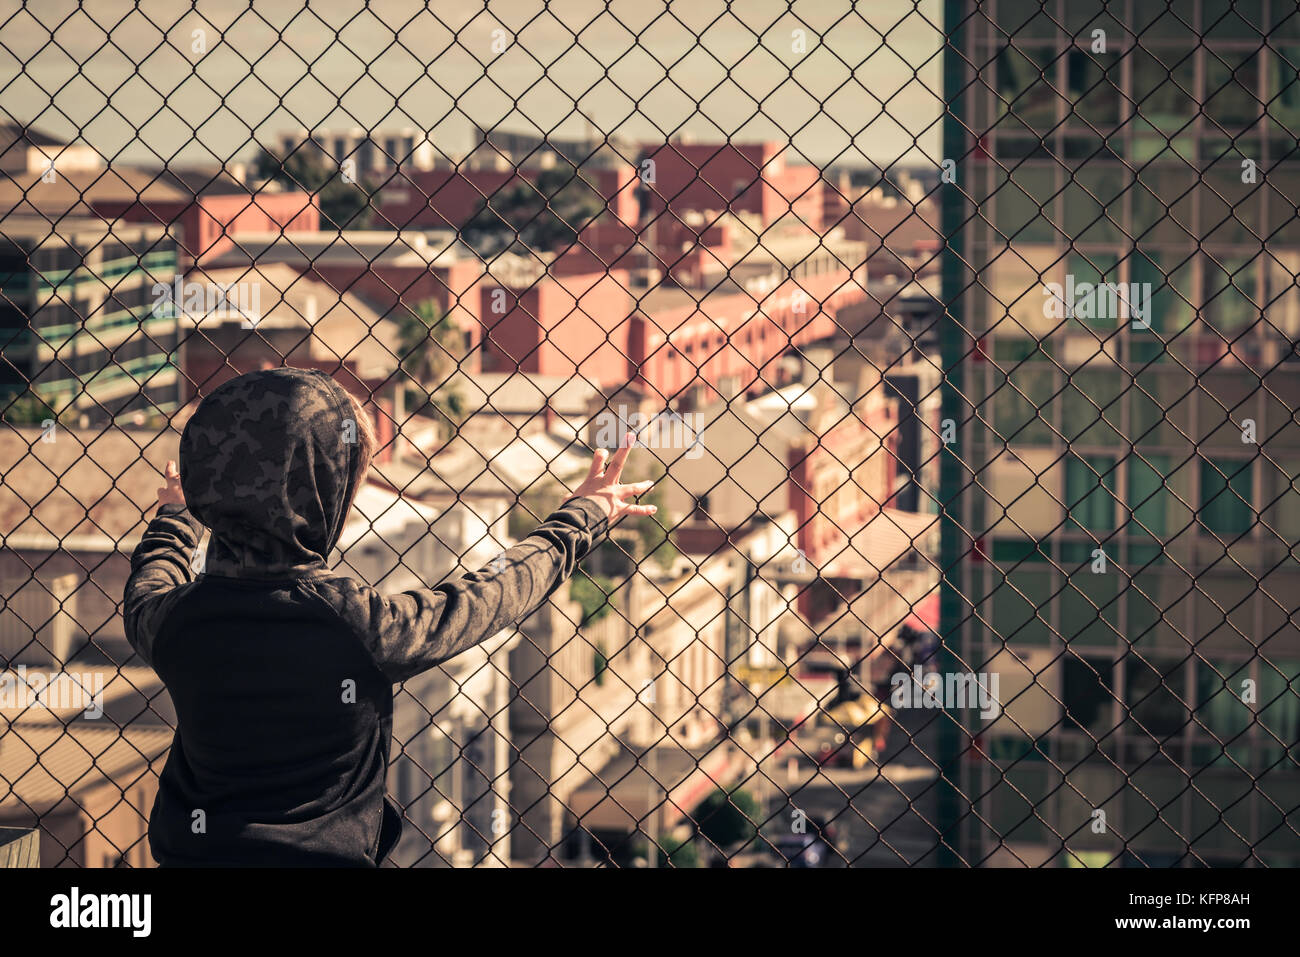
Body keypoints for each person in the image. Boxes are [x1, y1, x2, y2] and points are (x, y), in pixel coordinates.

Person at [123, 367, 655, 866]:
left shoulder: (174, 621)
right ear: (324, 499)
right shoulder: (359, 626)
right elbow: (495, 593)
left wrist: (176, 517)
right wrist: (581, 517)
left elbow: (152, 576)